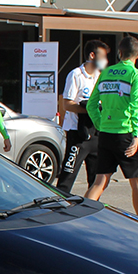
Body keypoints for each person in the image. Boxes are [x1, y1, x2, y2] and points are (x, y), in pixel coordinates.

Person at [86, 36, 138, 218]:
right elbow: (137, 107)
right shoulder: (136, 75)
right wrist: (136, 136)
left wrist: (100, 124)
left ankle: (80, 220)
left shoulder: (105, 72)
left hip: (105, 133)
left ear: (120, 53)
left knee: (100, 182)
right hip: (126, 134)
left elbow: (91, 105)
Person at [56, 40, 108, 193]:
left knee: (96, 177)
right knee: (68, 175)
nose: (106, 61)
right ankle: (60, 208)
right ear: (92, 55)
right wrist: (90, 109)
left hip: (96, 132)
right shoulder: (76, 75)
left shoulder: (101, 76)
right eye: (103, 56)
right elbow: (67, 104)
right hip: (77, 134)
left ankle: (90, 208)